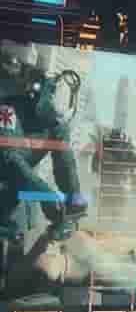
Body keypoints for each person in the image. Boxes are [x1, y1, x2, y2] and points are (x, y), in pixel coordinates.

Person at [0, 65, 86, 241]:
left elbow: (65, 165)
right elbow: (9, 159)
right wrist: (46, 194)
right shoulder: (8, 110)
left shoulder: (57, 126)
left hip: (16, 184)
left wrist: (73, 201)